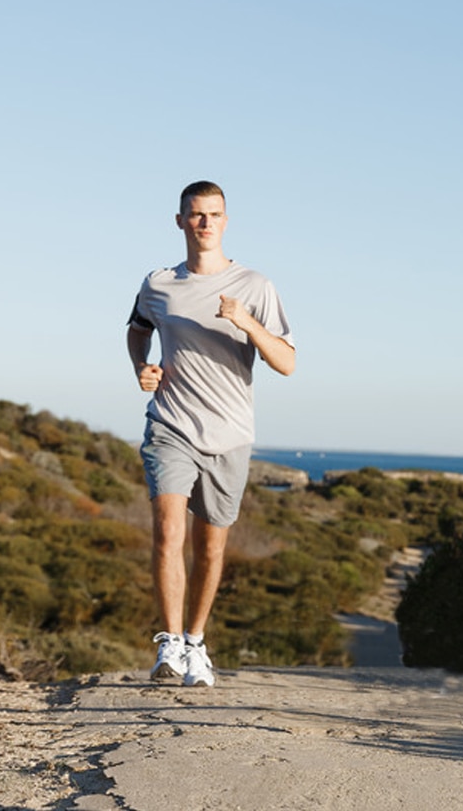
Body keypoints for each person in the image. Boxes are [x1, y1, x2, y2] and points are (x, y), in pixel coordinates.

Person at [127, 181, 295, 687]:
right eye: (196, 215)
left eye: (214, 215)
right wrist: (142, 366)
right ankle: (169, 644)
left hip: (229, 433)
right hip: (171, 425)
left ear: (226, 221)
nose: (205, 224)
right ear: (179, 221)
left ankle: (196, 643)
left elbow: (286, 362)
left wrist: (246, 322)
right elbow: (137, 329)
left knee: (212, 547)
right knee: (167, 532)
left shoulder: (255, 286)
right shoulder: (158, 284)